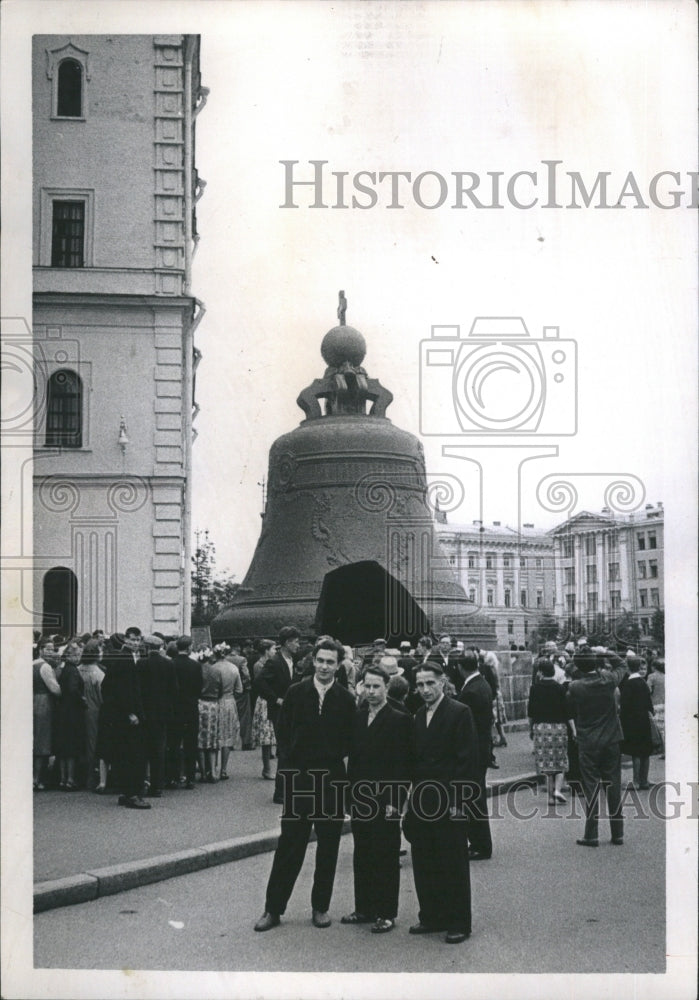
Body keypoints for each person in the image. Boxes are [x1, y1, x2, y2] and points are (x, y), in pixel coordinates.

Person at [254, 638, 356, 932]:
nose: (325, 667)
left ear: (338, 666)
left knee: (328, 847)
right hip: (300, 778)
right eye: (321, 661)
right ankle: (273, 909)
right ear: (313, 660)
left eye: (331, 662)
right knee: (289, 846)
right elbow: (283, 739)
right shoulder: (296, 693)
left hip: (332, 780)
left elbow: (350, 741)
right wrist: (287, 782)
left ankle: (320, 907)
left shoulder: (346, 699)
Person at [403, 662, 478, 944]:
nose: (424, 690)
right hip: (423, 798)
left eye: (430, 683)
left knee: (452, 861)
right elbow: (413, 759)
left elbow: (467, 759)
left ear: (443, 682)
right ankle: (431, 916)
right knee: (424, 858)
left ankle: (458, 921)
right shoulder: (418, 715)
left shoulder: (460, 712)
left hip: (449, 799)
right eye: (420, 685)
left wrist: (459, 800)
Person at [342, 664, 412, 934]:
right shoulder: (358, 718)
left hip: (387, 799)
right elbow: (354, 760)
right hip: (361, 797)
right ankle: (364, 908)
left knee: (384, 854)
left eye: (376, 687)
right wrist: (350, 796)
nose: (371, 691)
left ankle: (386, 912)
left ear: (386, 688)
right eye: (367, 686)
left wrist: (396, 800)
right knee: (362, 852)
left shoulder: (398, 718)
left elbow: (403, 765)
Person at [566, 646, 628, 846]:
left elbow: (569, 699)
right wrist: (605, 651)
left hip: (588, 741)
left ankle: (591, 834)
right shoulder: (608, 680)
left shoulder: (575, 686)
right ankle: (617, 833)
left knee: (591, 787)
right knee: (613, 786)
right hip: (611, 739)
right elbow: (622, 664)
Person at [100, 626, 150, 809]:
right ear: (125, 640)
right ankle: (132, 794)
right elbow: (118, 690)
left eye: (138, 640)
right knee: (133, 755)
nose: (135, 643)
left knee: (128, 754)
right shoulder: (125, 659)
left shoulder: (130, 658)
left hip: (129, 715)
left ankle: (127, 792)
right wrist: (129, 712)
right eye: (132, 640)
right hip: (129, 717)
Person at [255, 625, 302, 804]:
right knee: (284, 751)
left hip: (291, 712)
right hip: (280, 713)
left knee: (289, 751)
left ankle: (289, 789)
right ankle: (280, 792)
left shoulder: (292, 660)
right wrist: (275, 699)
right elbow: (260, 682)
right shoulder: (275, 661)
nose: (298, 645)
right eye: (296, 642)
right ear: (287, 643)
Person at [455, 651, 493, 860]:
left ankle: (480, 843)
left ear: (461, 668)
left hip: (474, 751)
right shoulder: (482, 684)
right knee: (475, 798)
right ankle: (480, 841)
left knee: (474, 800)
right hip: (482, 747)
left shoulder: (470, 691)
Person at [528, 658, 575, 805]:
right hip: (559, 728)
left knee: (547, 765)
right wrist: (573, 730)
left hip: (541, 729)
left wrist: (532, 729)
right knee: (560, 761)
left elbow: (531, 712)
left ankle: (550, 797)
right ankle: (558, 790)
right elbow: (568, 712)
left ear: (541, 672)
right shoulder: (560, 688)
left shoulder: (534, 688)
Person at [140, 634, 178, 798]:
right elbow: (174, 689)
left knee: (143, 749)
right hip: (162, 713)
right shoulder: (168, 664)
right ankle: (157, 785)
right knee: (159, 749)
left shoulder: (141, 664)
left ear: (147, 648)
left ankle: (143, 781)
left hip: (145, 713)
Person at [619, 655, 655, 791]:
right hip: (644, 719)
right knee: (645, 751)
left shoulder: (628, 684)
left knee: (636, 752)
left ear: (628, 668)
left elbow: (625, 705)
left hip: (632, 721)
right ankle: (644, 780)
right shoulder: (643, 682)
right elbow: (648, 702)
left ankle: (636, 781)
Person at [55, 641, 86, 790]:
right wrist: (82, 699)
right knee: (72, 747)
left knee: (63, 748)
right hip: (72, 712)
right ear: (70, 656)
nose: (79, 657)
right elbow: (73, 690)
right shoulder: (73, 670)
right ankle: (71, 779)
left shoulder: (63, 669)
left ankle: (63, 779)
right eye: (77, 654)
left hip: (63, 710)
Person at [77, 639, 106, 791]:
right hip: (94, 709)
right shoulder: (98, 673)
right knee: (92, 743)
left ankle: (79, 775)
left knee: (81, 741)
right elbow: (102, 695)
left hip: (79, 709)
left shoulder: (79, 668)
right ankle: (90, 777)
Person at [33, 638, 62, 790]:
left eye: (52, 649)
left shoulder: (31, 664)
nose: (51, 652)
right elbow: (55, 689)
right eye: (48, 649)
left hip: (32, 701)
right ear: (41, 649)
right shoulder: (45, 667)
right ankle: (37, 779)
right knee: (42, 741)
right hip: (43, 703)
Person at [251, 640, 278, 779]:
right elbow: (261, 683)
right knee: (266, 736)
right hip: (265, 701)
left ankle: (267, 767)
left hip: (267, 700)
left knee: (269, 735)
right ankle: (267, 768)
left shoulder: (266, 664)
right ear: (267, 650)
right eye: (273, 649)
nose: (275, 651)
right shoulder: (260, 665)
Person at [198, 648, 224, 782]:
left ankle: (202, 772)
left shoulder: (198, 669)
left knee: (201, 739)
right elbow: (221, 691)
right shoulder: (217, 671)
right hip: (213, 705)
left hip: (201, 703)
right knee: (213, 739)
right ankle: (213, 771)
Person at [218, 646, 243, 779]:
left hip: (216, 701)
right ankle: (223, 769)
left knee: (216, 734)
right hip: (229, 701)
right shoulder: (234, 668)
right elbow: (239, 689)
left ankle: (213, 767)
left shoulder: (213, 667)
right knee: (227, 734)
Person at [647, 658, 665, 759]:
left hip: (656, 704)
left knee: (656, 729)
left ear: (653, 667)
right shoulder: (667, 676)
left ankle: (658, 749)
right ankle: (664, 750)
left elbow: (647, 689)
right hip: (665, 703)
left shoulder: (651, 676)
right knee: (664, 729)